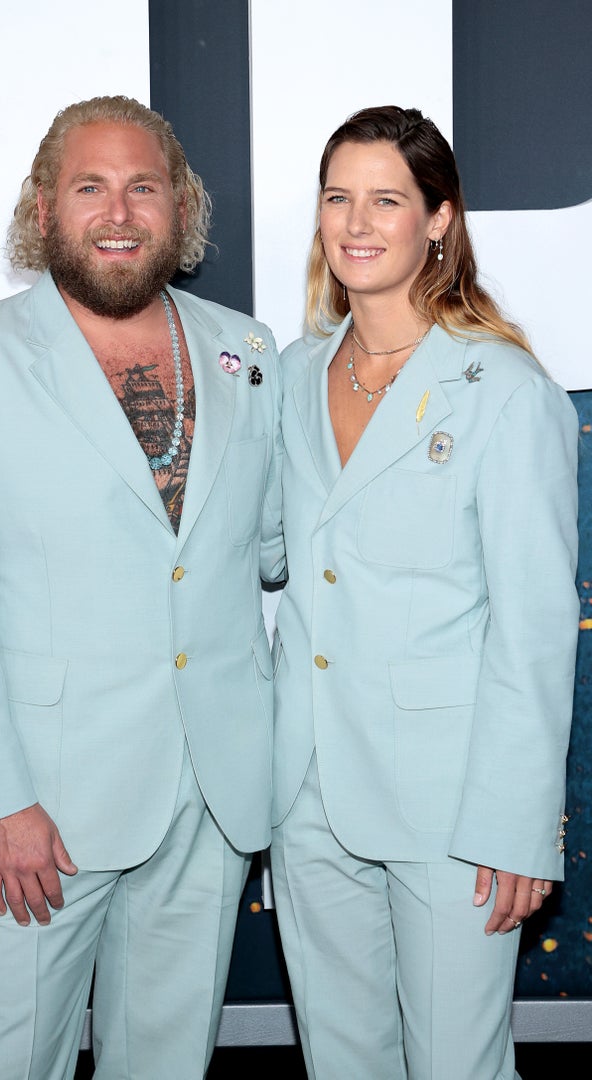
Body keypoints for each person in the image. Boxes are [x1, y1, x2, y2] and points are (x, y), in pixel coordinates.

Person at [0, 94, 282, 1080]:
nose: (118, 212)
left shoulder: (251, 353)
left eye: (143, 187)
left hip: (209, 796)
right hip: (41, 811)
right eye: (90, 187)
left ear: (180, 207)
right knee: (9, 1063)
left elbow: (267, 550)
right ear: (44, 207)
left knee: (166, 1062)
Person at [269, 106, 579, 1079]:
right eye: (338, 197)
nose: (357, 222)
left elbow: (534, 631)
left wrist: (519, 825)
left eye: (387, 199)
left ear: (438, 219)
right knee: (342, 1065)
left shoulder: (504, 389)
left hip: (454, 808)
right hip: (309, 793)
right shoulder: (286, 378)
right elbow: (265, 554)